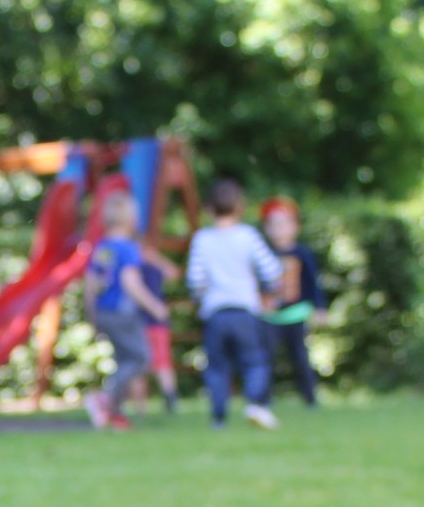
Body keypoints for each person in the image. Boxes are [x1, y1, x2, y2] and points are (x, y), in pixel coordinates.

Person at [186, 177, 284, 429]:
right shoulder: (247, 236)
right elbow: (272, 271)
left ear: (209, 208)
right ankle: (255, 403)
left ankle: (219, 417)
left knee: (217, 367)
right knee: (254, 361)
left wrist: (198, 299)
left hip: (215, 313)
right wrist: (271, 293)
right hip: (244, 311)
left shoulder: (202, 239)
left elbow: (195, 280)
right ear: (240, 206)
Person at [83, 191, 169, 430]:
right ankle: (105, 399)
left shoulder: (101, 249)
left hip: (103, 313)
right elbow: (131, 283)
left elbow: (90, 284)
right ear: (131, 220)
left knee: (123, 360)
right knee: (141, 358)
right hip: (123, 314)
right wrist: (155, 306)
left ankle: (115, 414)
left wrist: (91, 315)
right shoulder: (129, 249)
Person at [259, 196, 328, 410]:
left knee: (300, 357)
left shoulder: (302, 254)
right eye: (273, 225)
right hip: (270, 315)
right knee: (266, 359)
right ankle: (263, 400)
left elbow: (313, 283)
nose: (278, 229)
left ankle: (310, 398)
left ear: (294, 227)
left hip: (296, 314)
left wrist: (320, 308)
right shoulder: (263, 254)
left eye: (283, 224)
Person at [135, 248, 181, 414]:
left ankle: (146, 406)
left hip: (148, 322)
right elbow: (173, 273)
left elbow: (174, 274)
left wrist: (156, 259)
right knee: (151, 364)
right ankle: (144, 406)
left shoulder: (139, 268)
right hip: (146, 321)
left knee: (148, 364)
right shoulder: (136, 267)